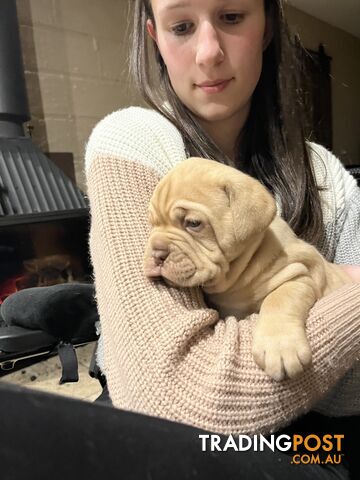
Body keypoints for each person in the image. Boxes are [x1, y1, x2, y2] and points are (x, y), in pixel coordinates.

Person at [85, 0, 360, 477]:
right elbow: (175, 394)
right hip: (169, 437)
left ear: (268, 26)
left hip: (309, 431)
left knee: (334, 455)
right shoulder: (132, 142)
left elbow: (352, 393)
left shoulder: (325, 174)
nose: (209, 52)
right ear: (156, 38)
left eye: (232, 17)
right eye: (182, 26)